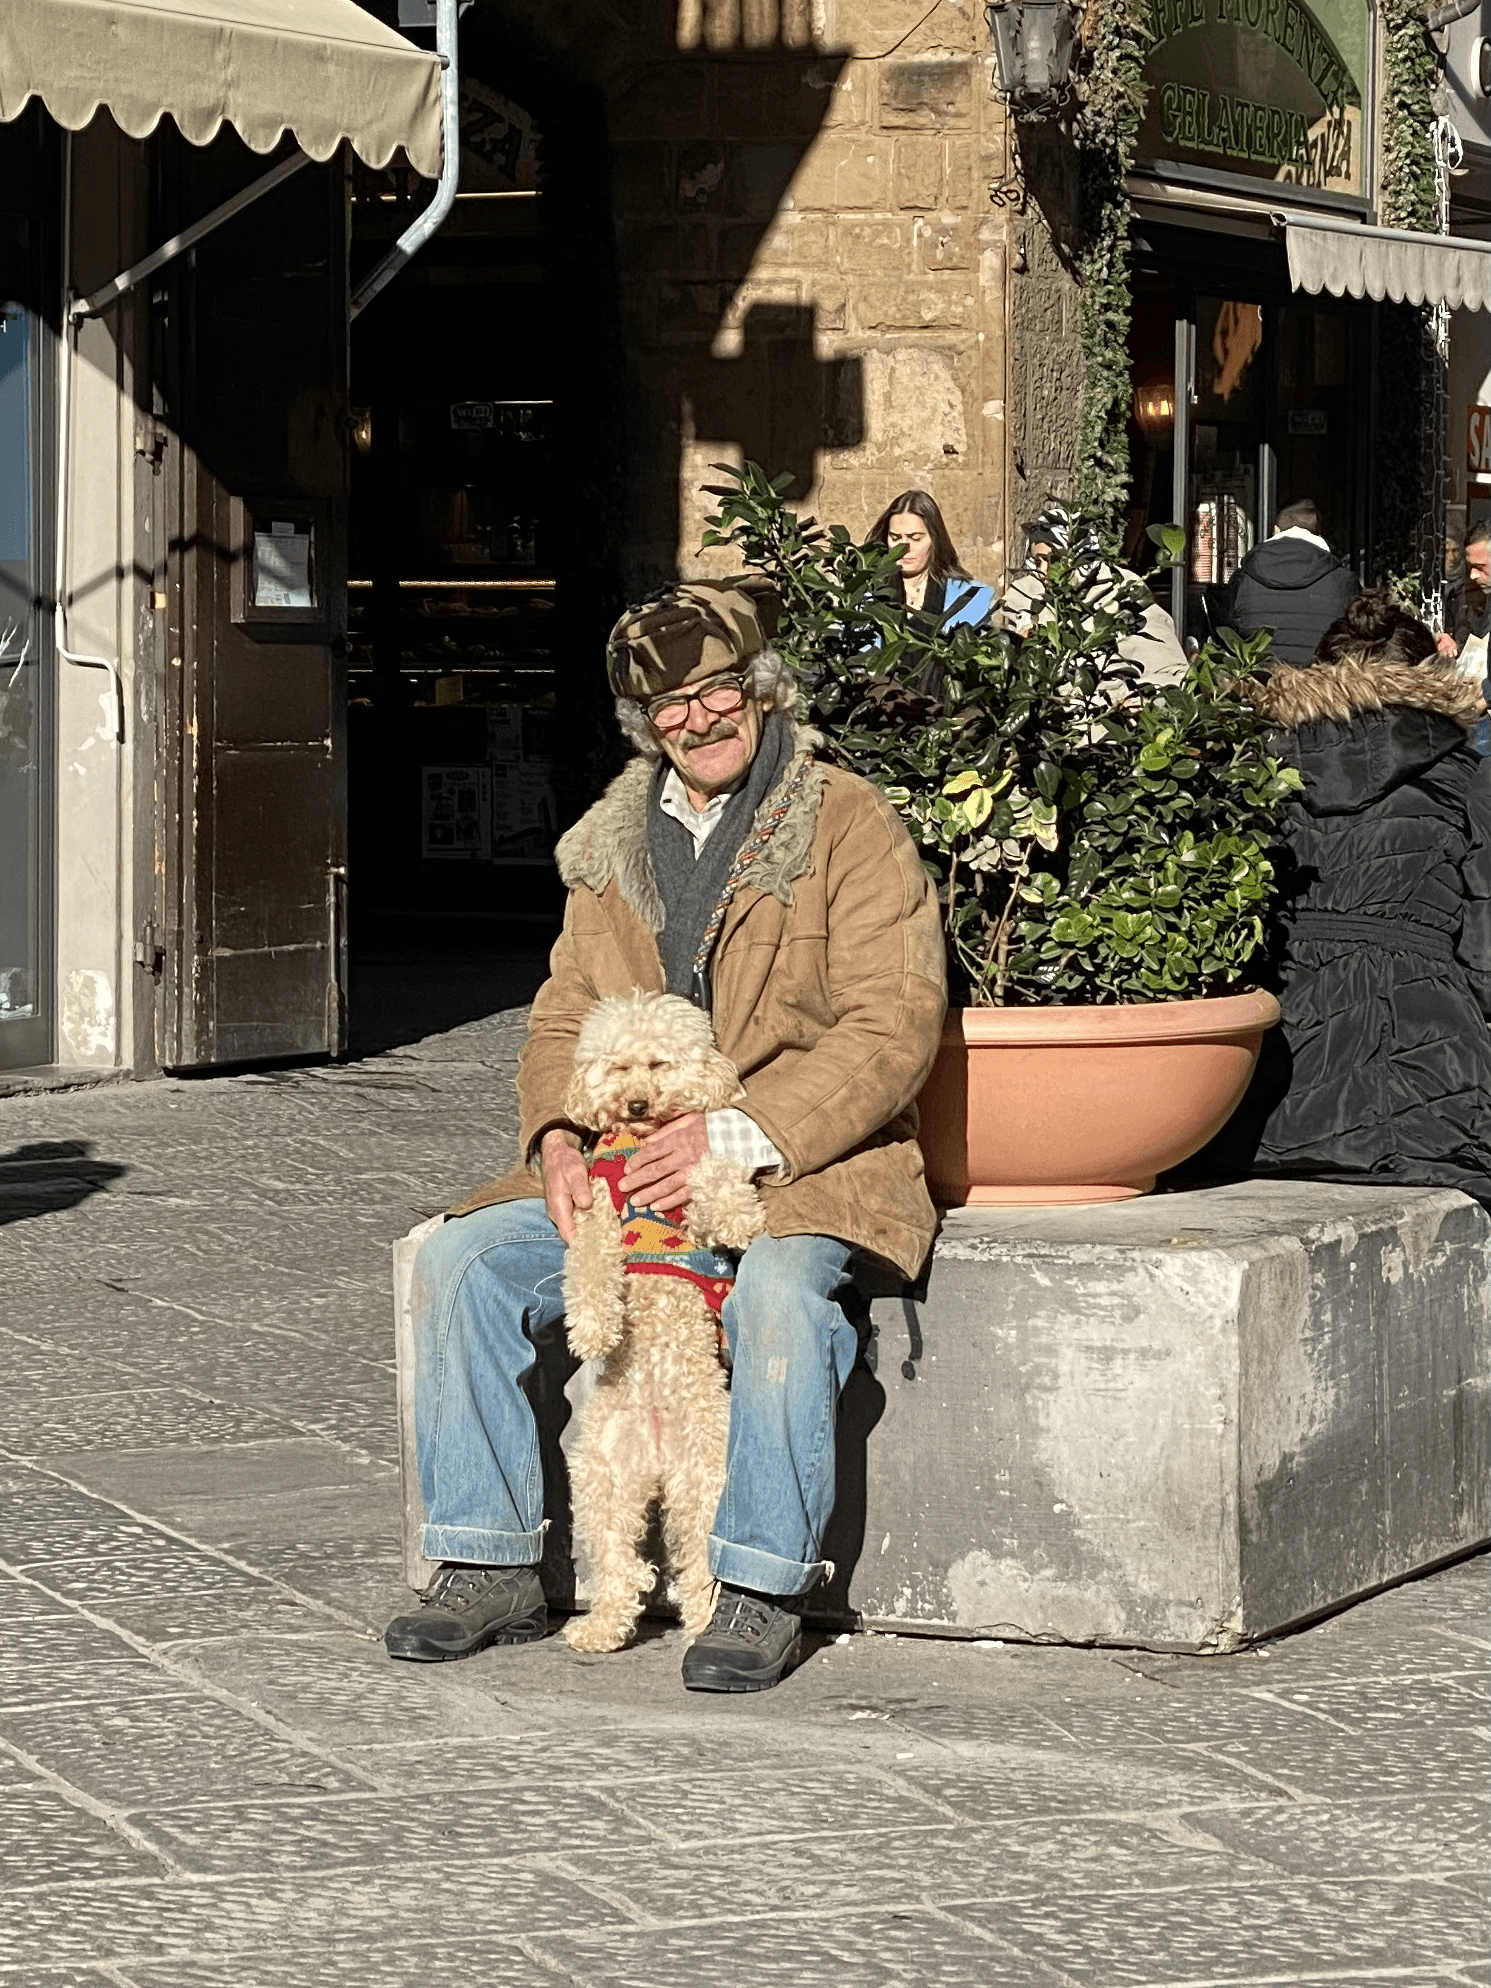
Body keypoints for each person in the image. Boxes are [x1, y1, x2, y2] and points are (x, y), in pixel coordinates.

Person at [383, 578, 947, 1692]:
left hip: (803, 1168)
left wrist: (743, 1130)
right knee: (461, 1265)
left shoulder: (848, 821)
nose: (699, 718)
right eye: (669, 705)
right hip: (622, 1180)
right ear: (645, 723)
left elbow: (896, 1024)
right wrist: (553, 1133)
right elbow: (558, 1012)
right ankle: (488, 1560)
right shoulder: (607, 845)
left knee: (785, 1295)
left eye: (717, 689)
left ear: (761, 689)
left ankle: (757, 1583)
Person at [1241, 589, 1491, 1204]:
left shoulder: (1257, 774)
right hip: (1425, 1077)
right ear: (1430, 680)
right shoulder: (1464, 782)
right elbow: (1486, 945)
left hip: (1270, 1080)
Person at [1000, 504, 1189, 685]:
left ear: (1081, 557)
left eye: (1055, 561)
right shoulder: (1026, 594)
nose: (1044, 572)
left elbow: (1173, 676)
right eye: (1037, 561)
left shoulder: (1124, 597)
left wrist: (1127, 699)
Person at [1220, 497, 1359, 666]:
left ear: (1276, 530)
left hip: (1259, 686)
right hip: (1322, 686)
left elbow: (1225, 636)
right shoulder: (1343, 581)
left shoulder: (1243, 579)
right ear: (1319, 533)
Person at [865, 488, 996, 629]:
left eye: (915, 538)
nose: (904, 548)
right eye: (895, 538)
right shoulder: (867, 595)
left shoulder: (969, 598)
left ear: (934, 540)